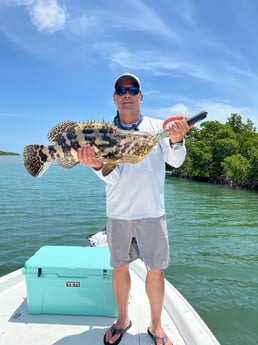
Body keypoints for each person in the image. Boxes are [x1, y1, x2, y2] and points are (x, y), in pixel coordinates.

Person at [77, 73, 190, 345]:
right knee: (120, 268)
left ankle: (156, 326)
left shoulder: (156, 128)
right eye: (121, 90)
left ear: (140, 97)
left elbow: (175, 162)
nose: (127, 94)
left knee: (156, 270)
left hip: (153, 212)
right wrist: (94, 165)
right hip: (118, 214)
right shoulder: (102, 134)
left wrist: (176, 141)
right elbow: (113, 176)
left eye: (133, 89)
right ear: (115, 98)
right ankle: (122, 319)